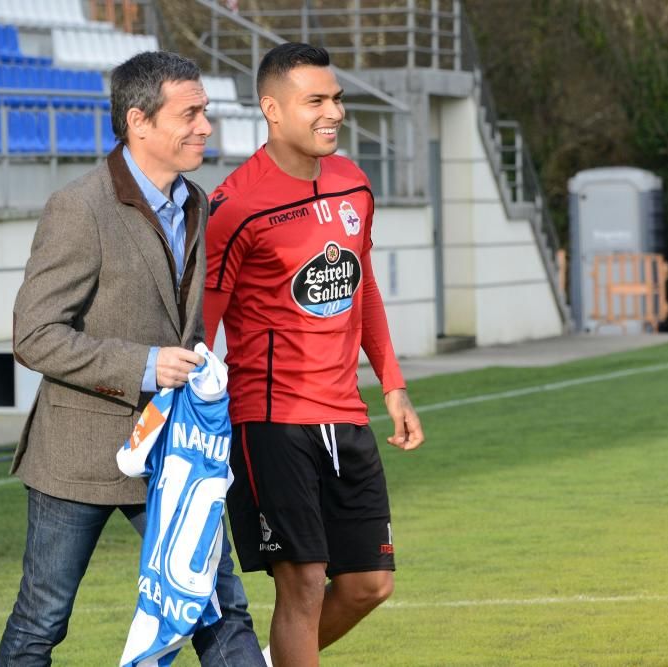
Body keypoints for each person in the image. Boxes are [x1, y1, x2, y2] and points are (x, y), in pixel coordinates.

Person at [0, 51, 265, 667]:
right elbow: (34, 335)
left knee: (220, 610)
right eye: (191, 113)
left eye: (206, 112)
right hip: (78, 458)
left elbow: (185, 324)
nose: (206, 126)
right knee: (41, 623)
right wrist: (144, 365)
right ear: (139, 121)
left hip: (178, 455)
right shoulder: (78, 208)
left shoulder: (197, 200)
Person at [203, 43, 425, 667]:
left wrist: (393, 384)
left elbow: (363, 286)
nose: (336, 113)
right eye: (317, 101)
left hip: (345, 415)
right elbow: (204, 327)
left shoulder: (354, 181)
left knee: (368, 584)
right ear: (272, 109)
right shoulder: (234, 207)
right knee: (300, 584)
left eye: (337, 98)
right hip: (271, 421)